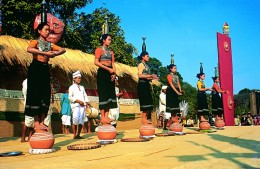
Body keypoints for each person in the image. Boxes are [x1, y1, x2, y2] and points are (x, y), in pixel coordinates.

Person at [25, 23, 66, 131]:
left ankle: (43, 121)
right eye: (46, 29)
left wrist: (54, 54)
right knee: (35, 93)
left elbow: (63, 49)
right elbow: (29, 49)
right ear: (39, 31)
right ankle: (36, 122)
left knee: (44, 93)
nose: (48, 32)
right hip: (36, 67)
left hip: (45, 69)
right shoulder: (35, 42)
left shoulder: (50, 44)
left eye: (49, 30)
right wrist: (45, 53)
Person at [94, 34, 117, 124]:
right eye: (108, 39)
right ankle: (102, 116)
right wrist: (108, 69)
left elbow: (113, 63)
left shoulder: (111, 52)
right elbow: (96, 62)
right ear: (104, 40)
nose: (110, 41)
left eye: (110, 39)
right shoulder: (99, 50)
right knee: (103, 93)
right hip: (102, 72)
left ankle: (107, 116)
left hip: (110, 73)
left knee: (110, 94)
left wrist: (114, 73)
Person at [137, 51, 159, 124]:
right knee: (145, 102)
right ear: (143, 57)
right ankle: (143, 119)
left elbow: (147, 77)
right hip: (142, 85)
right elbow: (140, 75)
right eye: (147, 56)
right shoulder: (141, 65)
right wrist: (150, 75)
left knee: (149, 102)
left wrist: (153, 78)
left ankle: (145, 118)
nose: (148, 57)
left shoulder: (147, 66)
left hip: (146, 84)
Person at [69, 70, 89, 139]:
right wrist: (77, 101)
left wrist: (86, 103)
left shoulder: (82, 87)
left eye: (80, 78)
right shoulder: (71, 87)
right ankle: (74, 135)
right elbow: (70, 97)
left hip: (82, 106)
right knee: (75, 119)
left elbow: (85, 95)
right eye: (78, 78)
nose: (79, 79)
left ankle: (78, 134)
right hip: (75, 106)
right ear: (74, 79)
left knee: (81, 120)